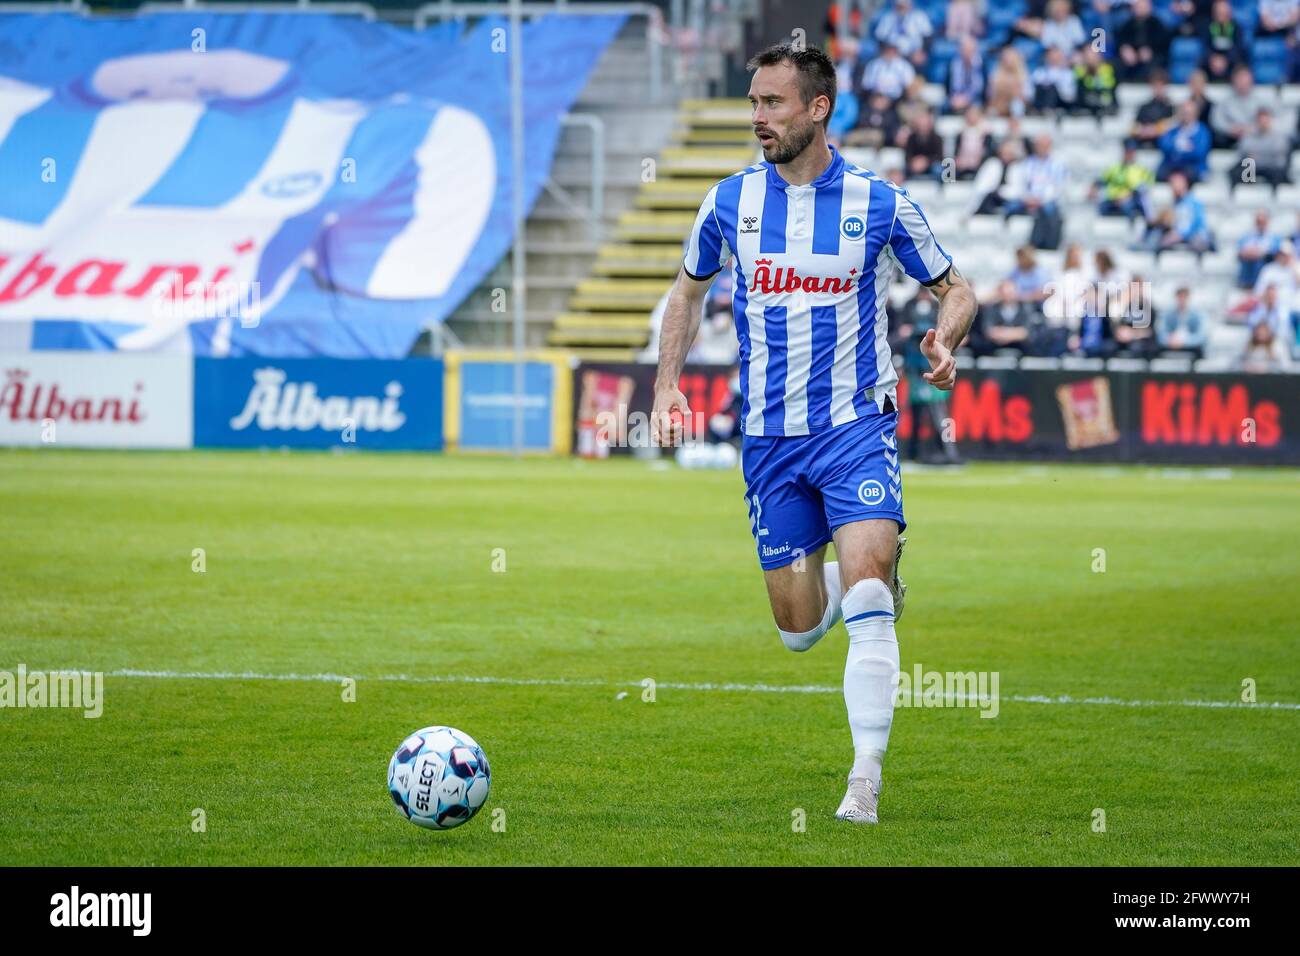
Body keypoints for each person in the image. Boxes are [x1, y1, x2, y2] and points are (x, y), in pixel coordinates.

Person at [653, 43, 977, 827]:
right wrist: (666, 384)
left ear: (817, 107)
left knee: (867, 591)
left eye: (772, 103)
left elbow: (955, 288)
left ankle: (863, 779)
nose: (757, 118)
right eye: (754, 103)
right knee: (798, 630)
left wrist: (946, 337)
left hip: (855, 427)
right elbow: (687, 293)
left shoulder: (881, 203)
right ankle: (866, 583)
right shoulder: (729, 203)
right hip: (770, 441)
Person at [1092, 139, 1154, 222]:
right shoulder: (1115, 168)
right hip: (1113, 200)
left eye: (1131, 152)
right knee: (1101, 207)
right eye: (1127, 152)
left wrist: (1127, 197)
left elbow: (1143, 188)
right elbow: (1102, 180)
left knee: (1130, 208)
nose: (1129, 155)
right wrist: (1094, 188)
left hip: (1130, 201)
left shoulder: (1142, 170)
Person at [1233, 109, 1293, 194]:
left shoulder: (1279, 137)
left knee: (1277, 175)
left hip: (1272, 167)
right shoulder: (1249, 135)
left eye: (1265, 121)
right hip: (1254, 167)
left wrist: (1258, 156)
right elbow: (1244, 151)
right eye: (1261, 121)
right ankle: (1246, 195)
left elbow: (1279, 155)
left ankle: (1274, 199)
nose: (1263, 124)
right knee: (1238, 171)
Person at [1156, 99, 1211, 182]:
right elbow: (1164, 145)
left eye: (1189, 113)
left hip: (1193, 168)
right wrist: (1184, 148)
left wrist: (1178, 151)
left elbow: (1199, 152)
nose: (1186, 116)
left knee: (1184, 175)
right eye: (1184, 113)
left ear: (1196, 114)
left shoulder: (1202, 131)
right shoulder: (1173, 129)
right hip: (1172, 167)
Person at [1211, 65, 1264, 150]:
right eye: (1240, 79)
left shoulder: (1260, 101)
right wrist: (1230, 129)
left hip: (1255, 138)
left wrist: (1252, 129)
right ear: (1234, 81)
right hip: (1231, 138)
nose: (1243, 83)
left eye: (1246, 79)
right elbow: (1216, 120)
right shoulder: (1225, 101)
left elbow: (1266, 121)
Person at [1117, 0, 1170, 81]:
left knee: (1154, 65)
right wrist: (1125, 49)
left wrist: (1151, 50)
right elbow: (1121, 40)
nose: (1140, 9)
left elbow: (1163, 43)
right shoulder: (1128, 24)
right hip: (1132, 56)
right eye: (1138, 7)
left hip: (1153, 55)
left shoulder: (1157, 24)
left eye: (1143, 7)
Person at [874, 0, 934, 70]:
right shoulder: (888, 18)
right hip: (893, 54)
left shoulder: (919, 16)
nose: (902, 9)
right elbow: (880, 38)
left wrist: (922, 52)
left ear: (910, 5)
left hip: (914, 55)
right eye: (899, 6)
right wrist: (887, 52)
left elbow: (928, 37)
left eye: (904, 6)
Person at [1156, 286, 1207, 358]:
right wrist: (1169, 340)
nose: (1182, 300)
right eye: (1180, 297)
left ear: (1188, 298)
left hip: (1191, 347)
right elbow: (1161, 333)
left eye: (1184, 297)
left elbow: (1201, 336)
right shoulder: (1168, 314)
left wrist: (1184, 341)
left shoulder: (1197, 315)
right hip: (1171, 345)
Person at [1203, 0, 1246, 83]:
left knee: (1240, 66)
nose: (1221, 17)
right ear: (1214, 14)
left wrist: (1226, 60)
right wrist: (1213, 58)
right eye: (1219, 13)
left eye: (1224, 14)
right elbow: (1205, 46)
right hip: (1212, 63)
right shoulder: (1208, 27)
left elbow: (1238, 47)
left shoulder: (1236, 27)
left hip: (1231, 63)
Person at [1131, 69, 1175, 145]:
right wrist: (1142, 130)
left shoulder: (1169, 107)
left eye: (1160, 85)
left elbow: (1171, 125)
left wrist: (1155, 130)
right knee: (1129, 142)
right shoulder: (1145, 107)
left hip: (1160, 139)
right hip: (1143, 137)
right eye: (1156, 85)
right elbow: (1135, 126)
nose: (1158, 89)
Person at [1236, 211, 1280, 289]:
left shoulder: (1274, 237)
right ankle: (1246, 284)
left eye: (1263, 222)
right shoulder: (1247, 236)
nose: (1261, 225)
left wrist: (1259, 253)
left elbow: (1275, 253)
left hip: (1265, 267)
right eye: (1258, 222)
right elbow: (1240, 252)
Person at [988, 46, 1032, 117]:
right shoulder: (996, 74)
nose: (1009, 61)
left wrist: (1015, 92)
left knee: (1016, 105)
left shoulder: (1023, 75)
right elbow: (991, 96)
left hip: (1016, 107)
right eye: (1006, 59)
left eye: (1011, 59)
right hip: (999, 106)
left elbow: (1028, 96)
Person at [901, 108, 944, 180]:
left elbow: (940, 156)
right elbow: (907, 155)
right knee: (903, 170)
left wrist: (926, 161)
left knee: (938, 169)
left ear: (929, 125)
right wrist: (914, 162)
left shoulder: (937, 138)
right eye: (920, 125)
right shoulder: (912, 138)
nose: (922, 127)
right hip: (915, 164)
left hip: (931, 164)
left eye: (925, 125)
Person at [946, 35, 985, 113]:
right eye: (965, 49)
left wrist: (966, 99)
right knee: (944, 104)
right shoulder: (953, 64)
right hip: (956, 97)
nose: (967, 52)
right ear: (960, 50)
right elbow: (947, 85)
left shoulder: (982, 64)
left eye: (970, 50)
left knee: (977, 106)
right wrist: (955, 97)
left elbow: (982, 89)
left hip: (975, 97)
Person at [1033, 47, 1079, 111]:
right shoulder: (1039, 72)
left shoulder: (1068, 73)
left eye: (1056, 55)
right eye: (1051, 55)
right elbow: (1033, 93)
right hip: (1042, 105)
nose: (1054, 57)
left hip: (1062, 104)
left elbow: (1070, 94)